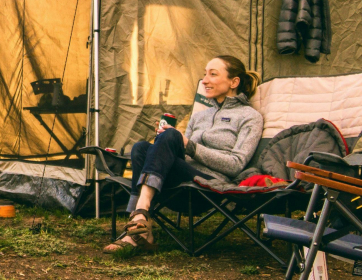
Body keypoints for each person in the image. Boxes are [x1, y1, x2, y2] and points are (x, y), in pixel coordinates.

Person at [104, 55, 263, 254]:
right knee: (141, 148)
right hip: (179, 185)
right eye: (205, 74)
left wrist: (189, 145)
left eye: (213, 74)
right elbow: (183, 155)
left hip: (209, 187)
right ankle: (141, 223)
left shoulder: (250, 117)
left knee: (170, 136)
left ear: (234, 82)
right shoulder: (200, 116)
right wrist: (164, 144)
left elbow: (236, 164)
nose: (204, 80)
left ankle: (138, 219)